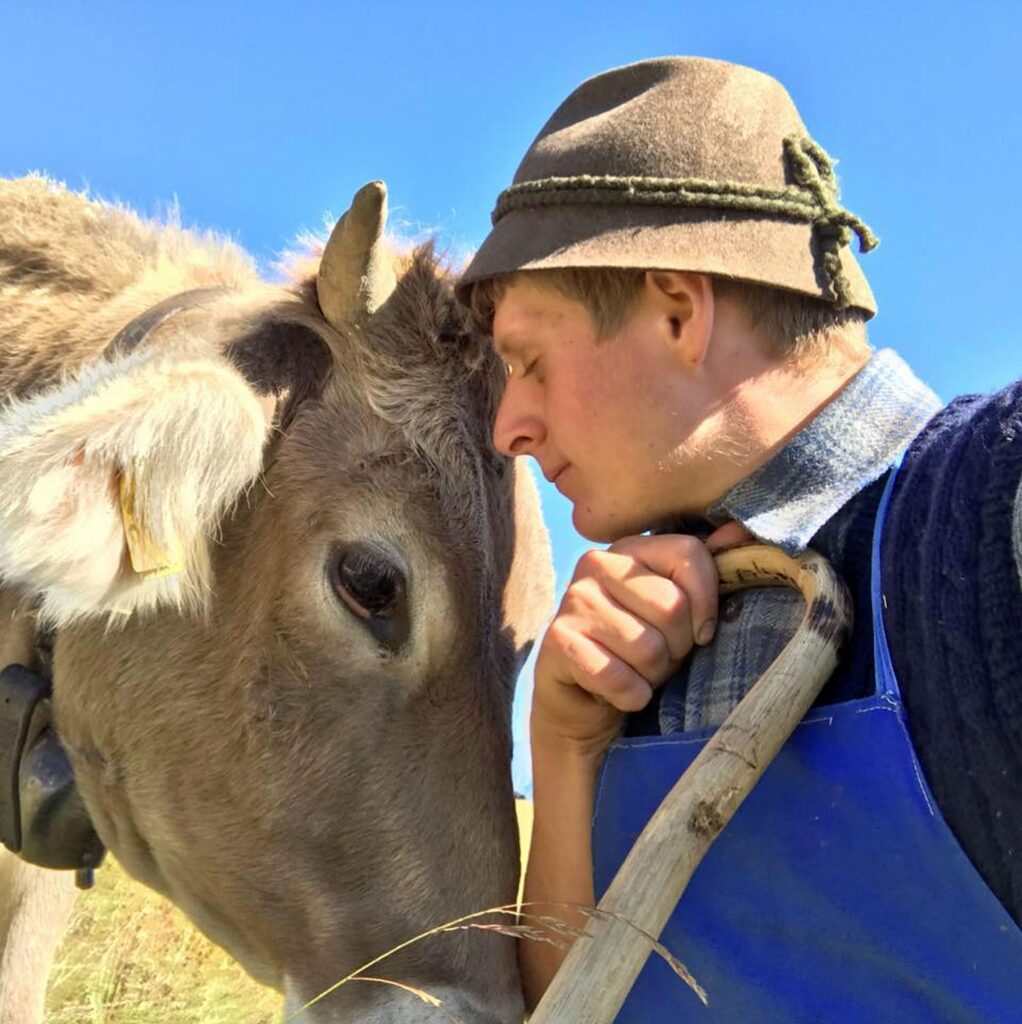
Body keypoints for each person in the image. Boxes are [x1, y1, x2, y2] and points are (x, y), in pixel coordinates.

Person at [457, 57, 1022, 1021]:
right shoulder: (631, 640)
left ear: (679, 310)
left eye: (529, 362)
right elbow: (573, 1005)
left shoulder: (983, 517)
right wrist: (564, 752)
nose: (508, 424)